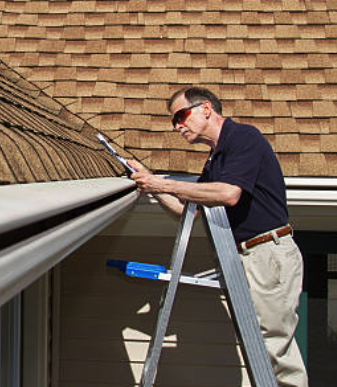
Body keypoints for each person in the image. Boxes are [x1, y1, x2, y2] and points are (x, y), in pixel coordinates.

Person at [126, 86, 308, 387]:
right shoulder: (217, 159)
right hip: (245, 256)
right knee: (258, 347)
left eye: (181, 116)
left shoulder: (244, 138)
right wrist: (149, 179)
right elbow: (186, 210)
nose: (177, 126)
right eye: (173, 121)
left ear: (206, 109)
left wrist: (163, 184)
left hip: (266, 253)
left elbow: (228, 194)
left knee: (274, 348)